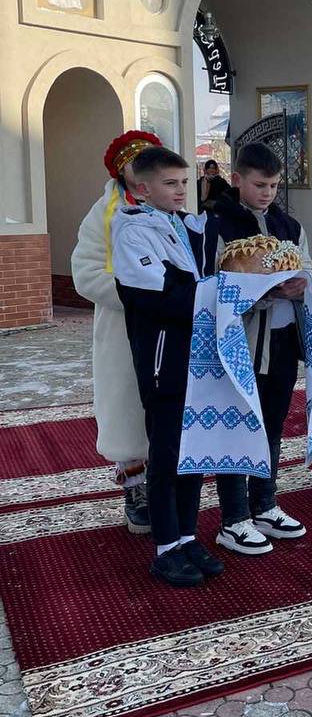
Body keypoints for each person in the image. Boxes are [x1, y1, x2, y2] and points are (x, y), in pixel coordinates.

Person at [112, 146, 221, 588]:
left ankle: (188, 535)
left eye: (183, 182)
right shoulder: (132, 232)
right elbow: (167, 297)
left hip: (191, 351)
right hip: (162, 356)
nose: (181, 190)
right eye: (170, 184)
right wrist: (225, 295)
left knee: (192, 449)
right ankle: (164, 547)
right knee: (167, 453)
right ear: (143, 188)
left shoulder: (177, 224)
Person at [209, 142, 312, 554]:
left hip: (284, 339)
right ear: (237, 180)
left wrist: (301, 286)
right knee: (238, 424)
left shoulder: (289, 226)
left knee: (271, 424)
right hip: (242, 341)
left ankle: (265, 504)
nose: (267, 192)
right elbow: (213, 285)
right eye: (259, 184)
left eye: (273, 185)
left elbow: (306, 267)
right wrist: (259, 293)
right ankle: (233, 518)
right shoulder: (218, 225)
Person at [71, 130, 162, 534]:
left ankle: (166, 484)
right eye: (134, 164)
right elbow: (86, 272)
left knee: (165, 404)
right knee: (127, 406)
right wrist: (139, 296)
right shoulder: (101, 214)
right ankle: (136, 489)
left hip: (167, 326)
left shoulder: (169, 203)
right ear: (122, 171)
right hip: (124, 326)